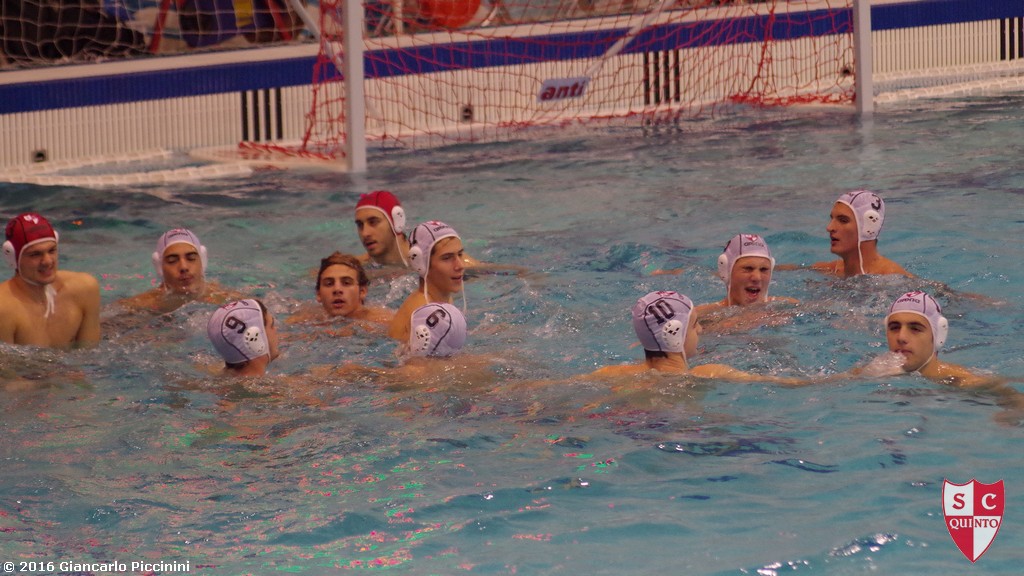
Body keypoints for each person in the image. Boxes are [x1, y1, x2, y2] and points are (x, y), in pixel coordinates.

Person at [592, 290, 801, 383]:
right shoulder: (708, 373)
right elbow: (777, 382)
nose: (700, 330)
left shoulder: (612, 374)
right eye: (694, 325)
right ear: (674, 334)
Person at [0, 212, 100, 348]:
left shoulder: (84, 288)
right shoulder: (4, 309)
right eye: (35, 254)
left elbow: (91, 354)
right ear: (13, 258)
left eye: (52, 250)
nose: (47, 261)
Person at [119, 228, 241, 313]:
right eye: (172, 260)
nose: (183, 267)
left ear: (202, 262)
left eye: (191, 258)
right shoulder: (140, 306)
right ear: (160, 268)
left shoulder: (228, 299)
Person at [695, 234, 798, 329]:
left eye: (764, 269)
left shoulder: (788, 308)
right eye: (748, 268)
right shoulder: (699, 317)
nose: (757, 277)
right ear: (726, 272)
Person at [387, 220, 467, 343]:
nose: (460, 265)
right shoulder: (425, 314)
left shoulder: (438, 300)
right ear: (421, 264)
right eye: (447, 258)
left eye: (460, 254)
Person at [807, 190, 911, 278]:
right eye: (832, 219)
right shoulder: (830, 270)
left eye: (843, 220)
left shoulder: (893, 278)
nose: (829, 227)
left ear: (869, 227)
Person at [287, 252, 392, 326]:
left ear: (362, 292)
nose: (337, 289)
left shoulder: (382, 321)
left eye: (346, 283)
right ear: (318, 294)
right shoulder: (305, 320)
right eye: (329, 284)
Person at [207, 298, 281, 377]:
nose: (276, 330)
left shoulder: (216, 375)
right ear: (254, 339)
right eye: (272, 325)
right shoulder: (275, 384)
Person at [354, 190, 412, 268]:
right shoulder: (355, 267)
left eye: (373, 222)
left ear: (396, 222)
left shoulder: (426, 259)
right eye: (360, 225)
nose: (365, 233)